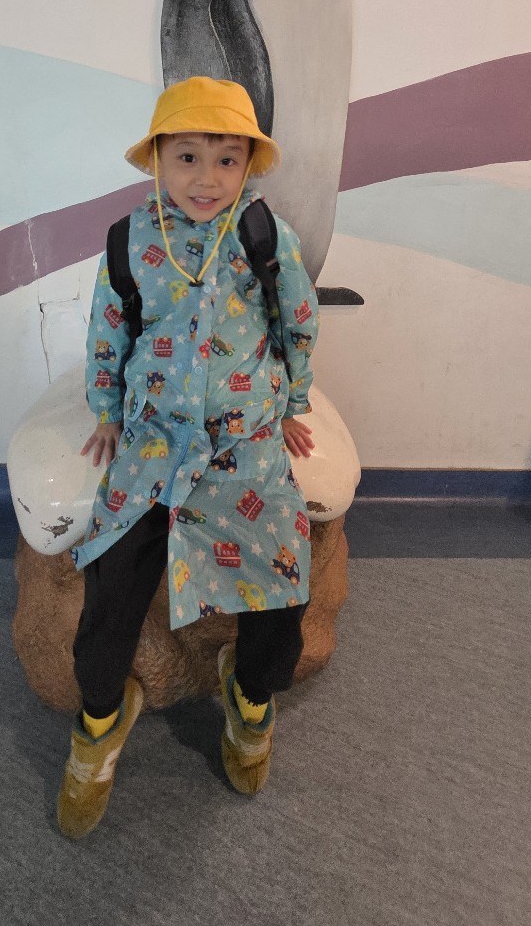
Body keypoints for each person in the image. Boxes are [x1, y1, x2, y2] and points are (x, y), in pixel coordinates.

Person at [57, 76, 319, 839]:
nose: (207, 178)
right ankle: (100, 719)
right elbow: (108, 328)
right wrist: (107, 409)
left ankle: (251, 697)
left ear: (247, 165)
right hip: (155, 440)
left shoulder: (264, 233)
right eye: (188, 157)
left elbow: (298, 319)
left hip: (244, 439)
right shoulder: (129, 240)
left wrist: (293, 403)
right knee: (113, 579)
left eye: (227, 159)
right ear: (158, 159)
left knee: (282, 579)